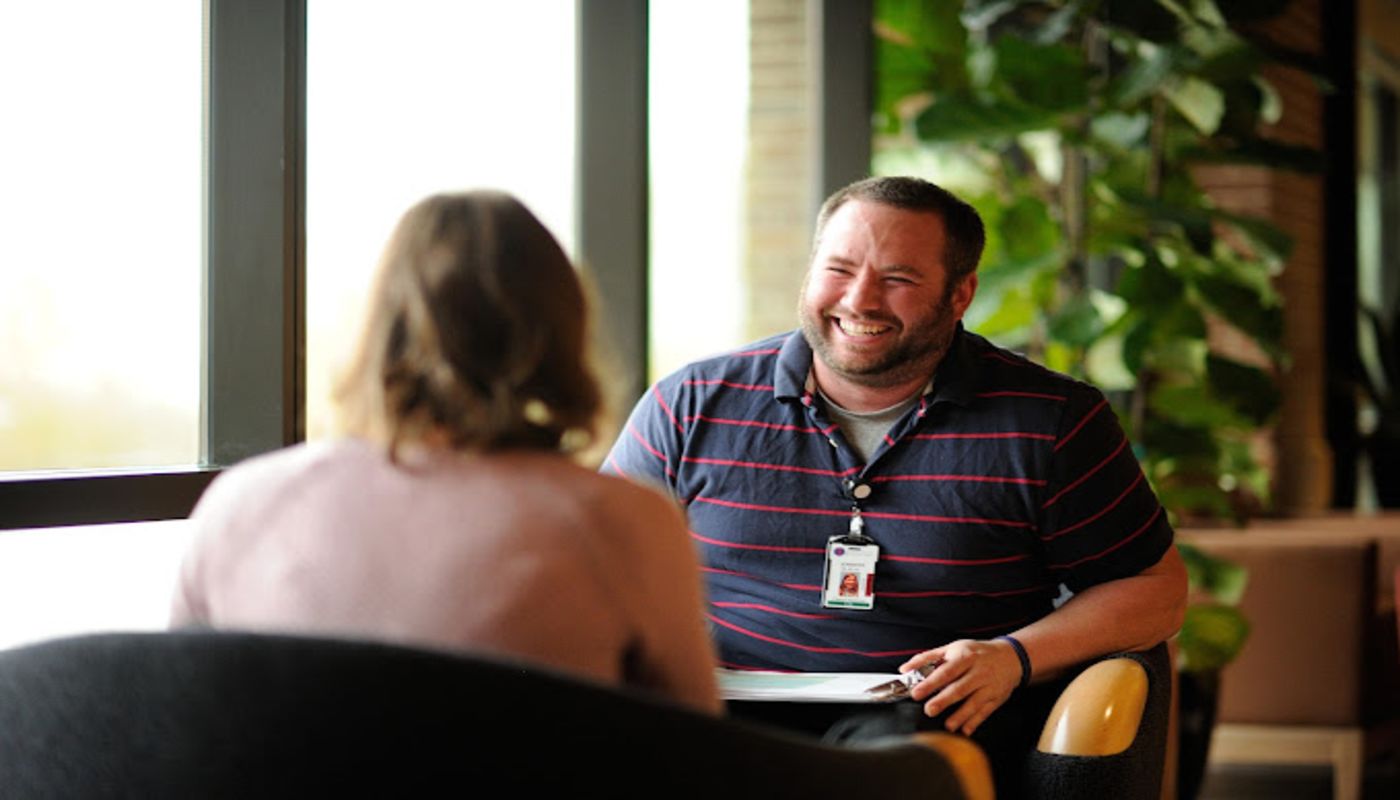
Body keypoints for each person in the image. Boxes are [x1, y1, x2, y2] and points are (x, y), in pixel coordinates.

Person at [603, 175, 1186, 787]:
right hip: (723, 706)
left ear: (960, 294)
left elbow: (1156, 590)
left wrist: (1012, 657)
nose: (860, 300)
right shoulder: (691, 403)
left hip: (927, 717)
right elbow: (604, 569)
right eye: (839, 269)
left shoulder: (1052, 421)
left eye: (899, 278)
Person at [170, 190, 721, 715]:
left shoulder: (239, 506)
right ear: (563, 331)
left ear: (380, 328)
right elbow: (699, 754)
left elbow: (177, 723)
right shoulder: (626, 525)